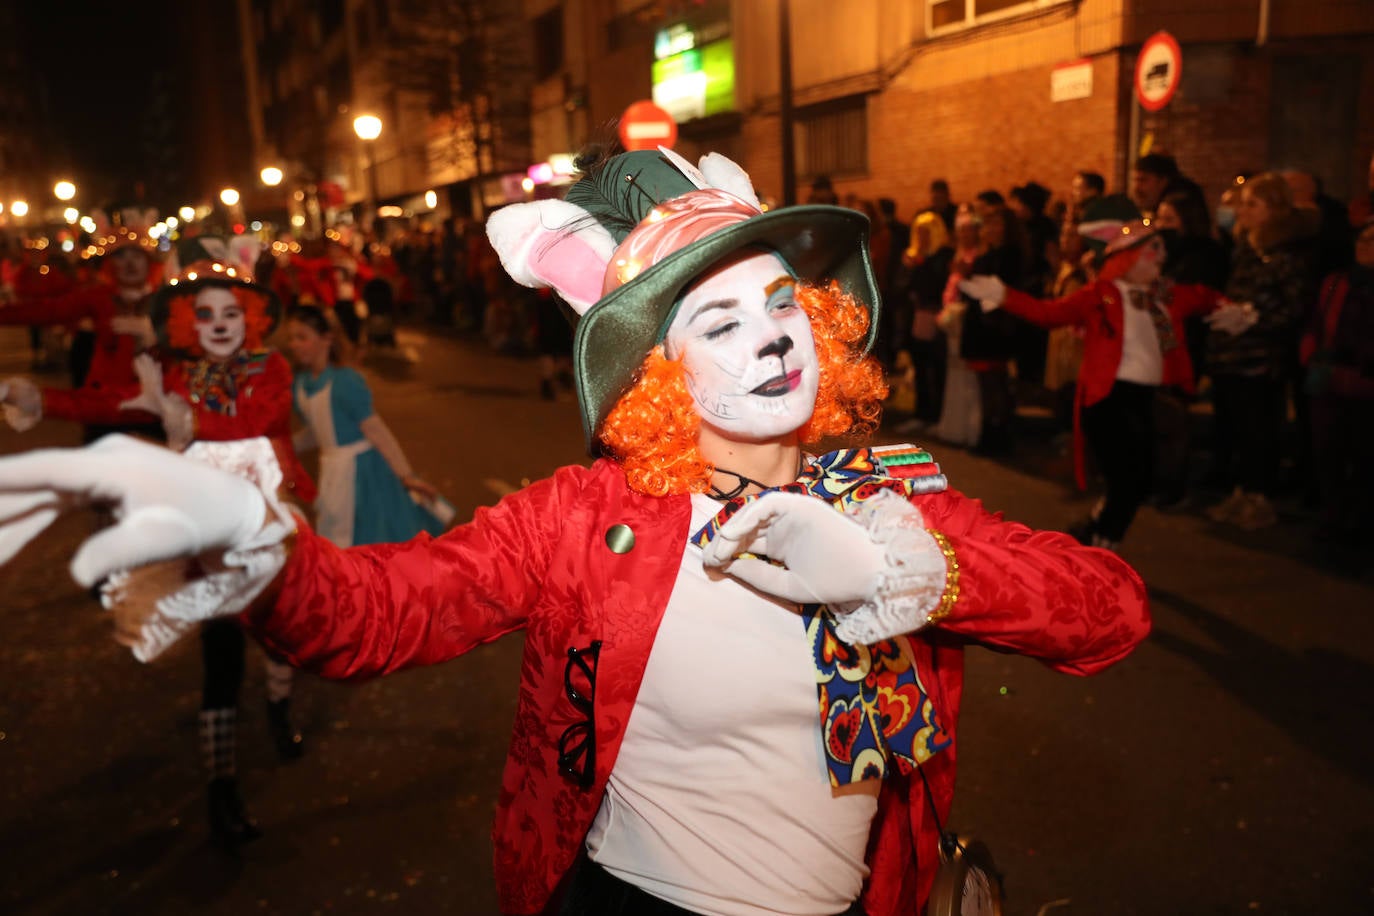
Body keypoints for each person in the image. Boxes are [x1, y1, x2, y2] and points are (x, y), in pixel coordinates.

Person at [0, 148, 1150, 916]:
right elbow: (370, 616)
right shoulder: (584, 518)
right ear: (659, 370)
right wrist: (263, 546)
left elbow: (1108, 609)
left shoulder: (895, 491)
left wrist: (911, 567)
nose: (768, 338)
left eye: (782, 302)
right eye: (716, 317)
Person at [960, 204, 1254, 549]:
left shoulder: (1165, 296)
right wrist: (1004, 295)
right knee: (1128, 476)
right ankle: (1103, 537)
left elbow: (1203, 297)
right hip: (1108, 397)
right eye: (1151, 253)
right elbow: (1049, 314)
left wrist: (1232, 310)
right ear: (1127, 258)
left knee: (1139, 475)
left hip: (1145, 396)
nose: (1159, 259)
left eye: (1160, 253)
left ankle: (1096, 528)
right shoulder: (1101, 295)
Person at [284, 304, 446, 548]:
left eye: (302, 337)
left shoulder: (344, 381)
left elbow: (376, 431)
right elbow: (320, 433)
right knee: (339, 539)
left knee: (365, 542)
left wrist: (406, 476)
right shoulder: (302, 383)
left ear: (327, 339)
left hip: (364, 476)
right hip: (333, 471)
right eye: (292, 338)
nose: (294, 344)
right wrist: (279, 448)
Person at [0, 208, 164, 443]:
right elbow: (49, 310)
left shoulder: (168, 300)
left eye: (137, 257)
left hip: (154, 407)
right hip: (103, 405)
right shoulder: (99, 297)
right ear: (109, 263)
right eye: (121, 257)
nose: (130, 264)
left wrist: (154, 335)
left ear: (149, 262)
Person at [1300, 217, 1374, 545]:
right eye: (1363, 240)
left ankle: (1358, 520)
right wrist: (1311, 354)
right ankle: (1333, 518)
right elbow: (1316, 322)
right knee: (1329, 452)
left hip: (1366, 383)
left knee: (1364, 454)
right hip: (1330, 380)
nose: (1365, 246)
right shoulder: (1336, 282)